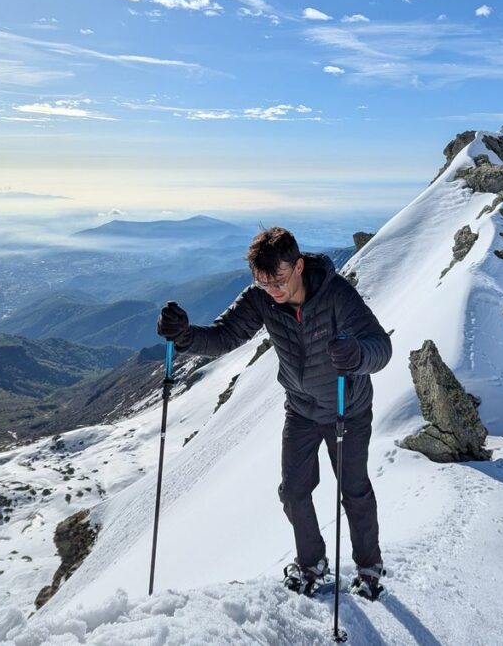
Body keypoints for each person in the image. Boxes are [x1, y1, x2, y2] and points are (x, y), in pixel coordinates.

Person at [157, 226, 393, 599]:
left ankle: (369, 567)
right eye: (265, 283)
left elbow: (381, 346)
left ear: (299, 266)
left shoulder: (337, 296)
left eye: (279, 281)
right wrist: (184, 335)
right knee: (293, 492)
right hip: (300, 409)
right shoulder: (261, 298)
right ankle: (312, 562)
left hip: (346, 409)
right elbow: (225, 336)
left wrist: (359, 355)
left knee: (354, 490)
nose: (274, 292)